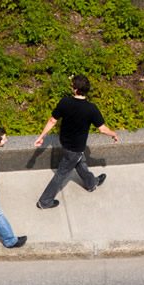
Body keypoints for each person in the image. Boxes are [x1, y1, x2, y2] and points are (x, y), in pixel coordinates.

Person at [33, 74, 118, 210]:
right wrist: (114, 134)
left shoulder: (65, 102)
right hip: (76, 147)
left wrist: (41, 136)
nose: (71, 87)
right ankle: (45, 201)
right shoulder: (91, 108)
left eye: (72, 86)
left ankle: (91, 183)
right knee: (62, 174)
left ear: (76, 89)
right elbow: (102, 129)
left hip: (65, 143)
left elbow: (52, 120)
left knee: (79, 162)